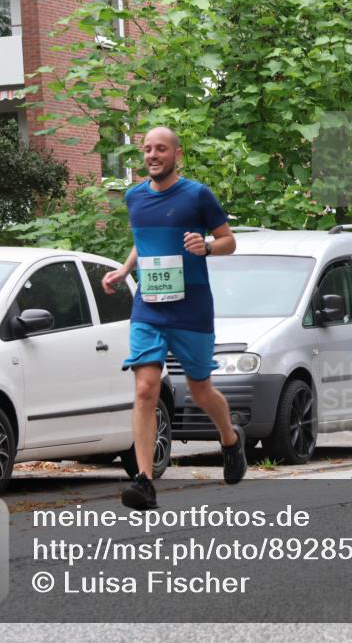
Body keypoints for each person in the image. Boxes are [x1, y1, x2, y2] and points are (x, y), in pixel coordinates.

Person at [103, 126, 246, 510]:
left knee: (201, 390)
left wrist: (208, 246)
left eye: (161, 149)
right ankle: (144, 480)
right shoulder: (134, 197)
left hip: (192, 308)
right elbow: (145, 240)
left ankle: (230, 439)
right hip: (148, 308)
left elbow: (229, 241)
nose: (152, 155)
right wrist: (123, 269)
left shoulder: (197, 195)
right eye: (147, 149)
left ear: (176, 154)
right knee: (146, 388)